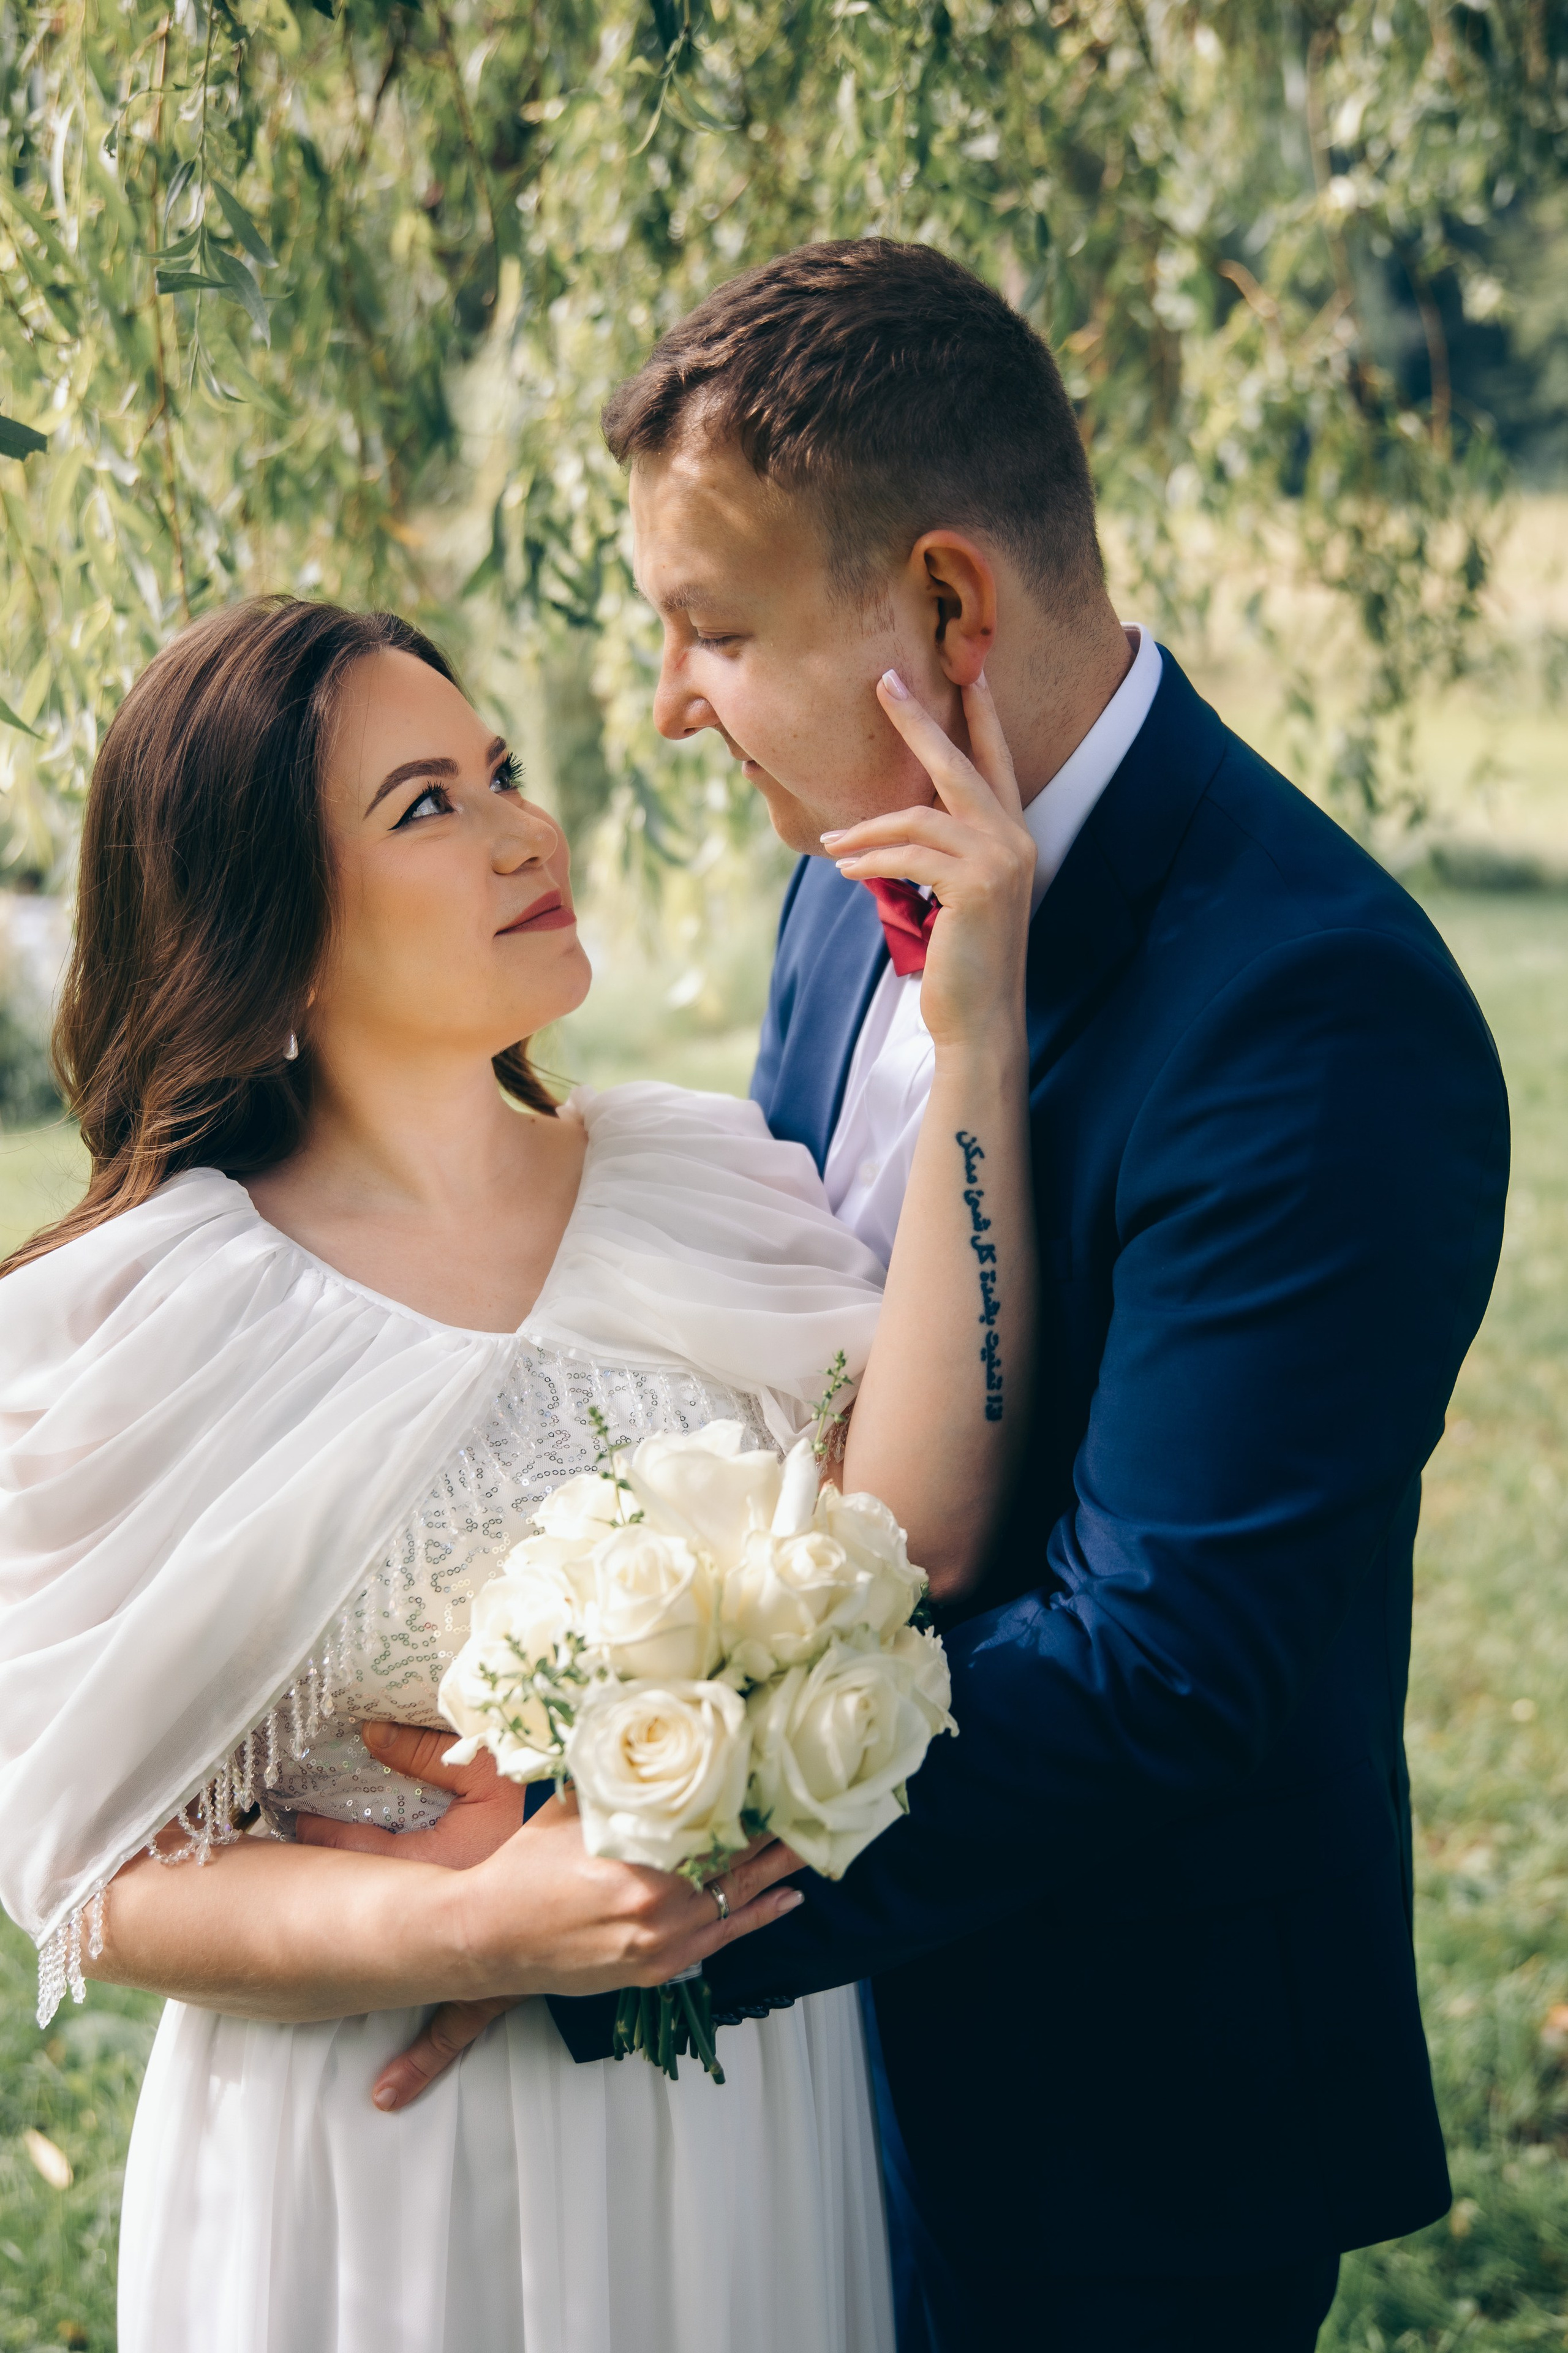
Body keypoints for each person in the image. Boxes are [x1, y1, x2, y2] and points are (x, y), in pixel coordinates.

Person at [399, 240, 1511, 2350]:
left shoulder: (1316, 1012)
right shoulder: (847, 897)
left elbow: (1168, 1655)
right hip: (807, 2094)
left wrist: (646, 1866)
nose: (663, 705)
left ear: (947, 608)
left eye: (713, 629)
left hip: (1119, 2110)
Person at [0, 593, 1040, 2353]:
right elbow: (98, 1883)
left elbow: (918, 1541)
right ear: (277, 934)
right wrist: (474, 1920)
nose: (524, 830)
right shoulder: (136, 1314)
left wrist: (978, 1037)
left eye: (498, 772)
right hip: (380, 2173)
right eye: (426, 807)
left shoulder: (699, 1177)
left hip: (734, 2125)